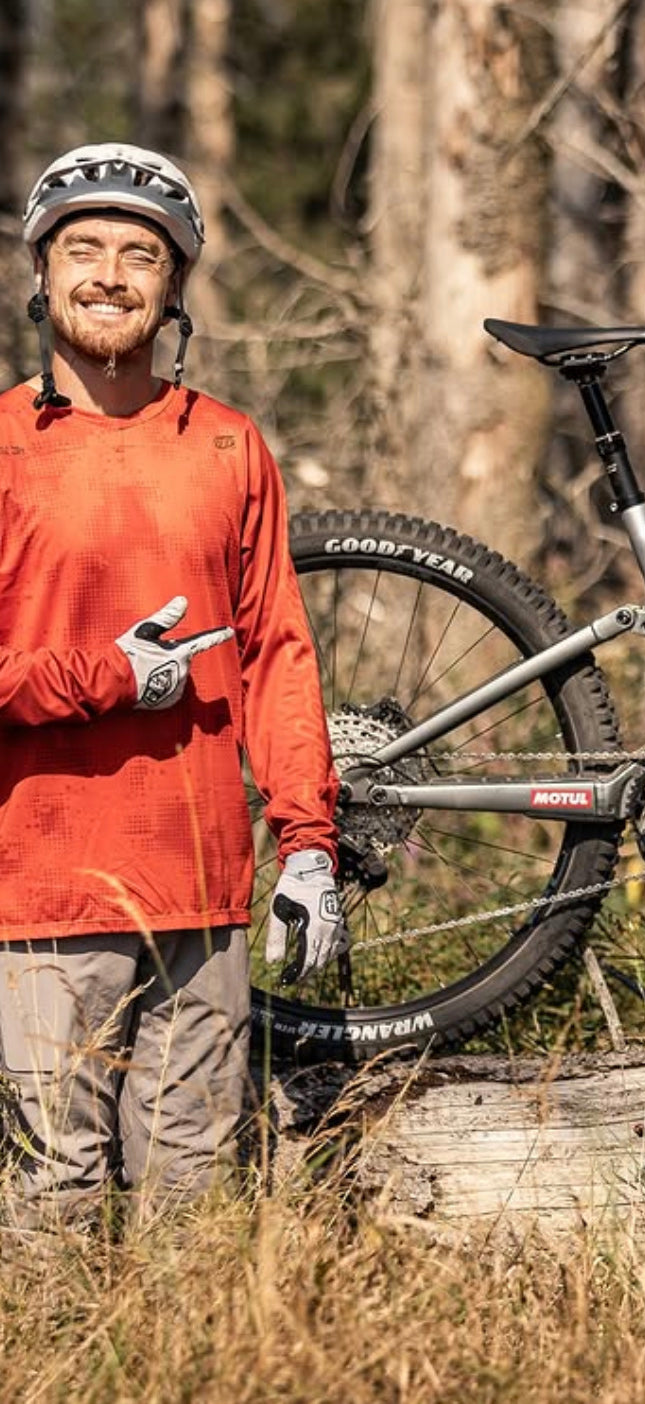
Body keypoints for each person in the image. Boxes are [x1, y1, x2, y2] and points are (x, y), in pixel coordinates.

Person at [0, 143, 346, 1227]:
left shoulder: (231, 448)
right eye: (84, 250)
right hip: (41, 904)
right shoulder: (4, 447)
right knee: (55, 1201)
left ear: (176, 287)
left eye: (141, 255)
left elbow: (279, 657)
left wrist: (308, 847)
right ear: (43, 278)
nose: (109, 274)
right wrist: (106, 676)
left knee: (193, 1206)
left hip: (203, 900)